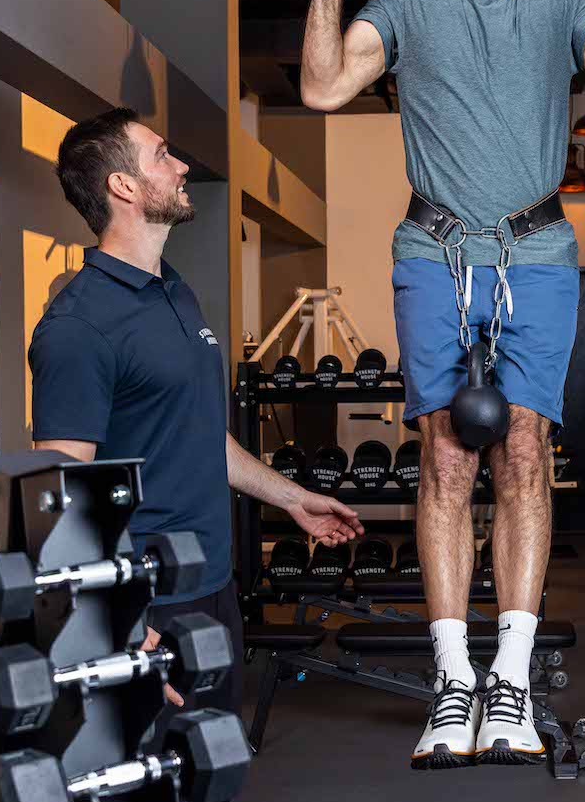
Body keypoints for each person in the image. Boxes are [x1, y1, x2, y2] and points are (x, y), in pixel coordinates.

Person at [299, 0, 585, 767]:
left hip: (537, 250)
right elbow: (321, 86)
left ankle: (509, 678)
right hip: (434, 248)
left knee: (526, 451)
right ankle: (452, 682)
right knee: (445, 458)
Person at [28, 107, 364, 713]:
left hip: (213, 583)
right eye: (162, 154)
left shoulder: (174, 290)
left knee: (217, 778)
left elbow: (199, 434)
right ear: (123, 186)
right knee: (156, 798)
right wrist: (119, 621)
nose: (182, 165)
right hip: (149, 602)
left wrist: (293, 500)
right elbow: (55, 491)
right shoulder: (79, 326)